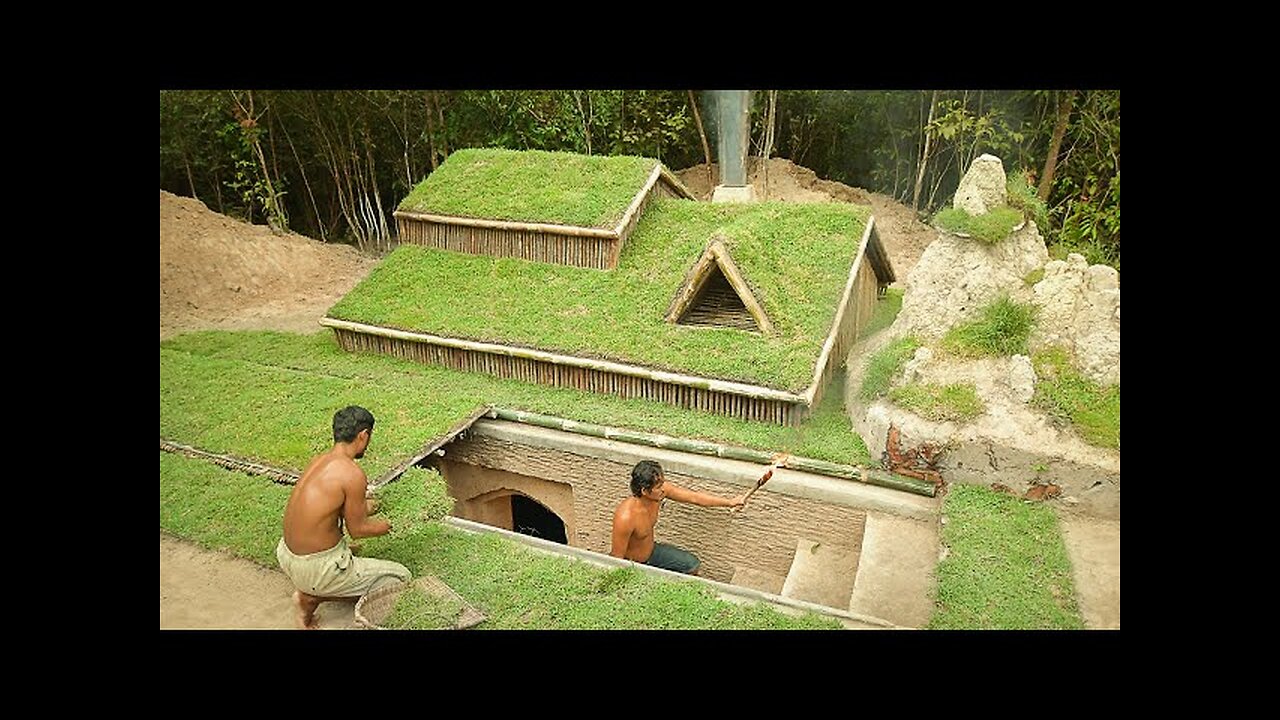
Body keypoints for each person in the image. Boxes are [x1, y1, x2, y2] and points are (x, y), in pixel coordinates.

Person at [276, 405, 410, 629]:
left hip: (288, 555)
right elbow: (358, 530)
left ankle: (312, 590)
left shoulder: (320, 461)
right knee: (401, 577)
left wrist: (379, 504)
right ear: (363, 435)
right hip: (315, 568)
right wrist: (395, 525)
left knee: (347, 552)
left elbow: (342, 509)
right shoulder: (352, 474)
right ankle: (309, 597)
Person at [609, 460, 751, 575]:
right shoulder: (626, 517)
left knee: (692, 566)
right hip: (635, 565)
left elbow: (694, 497)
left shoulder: (660, 492)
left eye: (663, 482)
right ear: (645, 491)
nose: (664, 489)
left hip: (652, 552)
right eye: (659, 486)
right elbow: (616, 559)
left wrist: (729, 502)